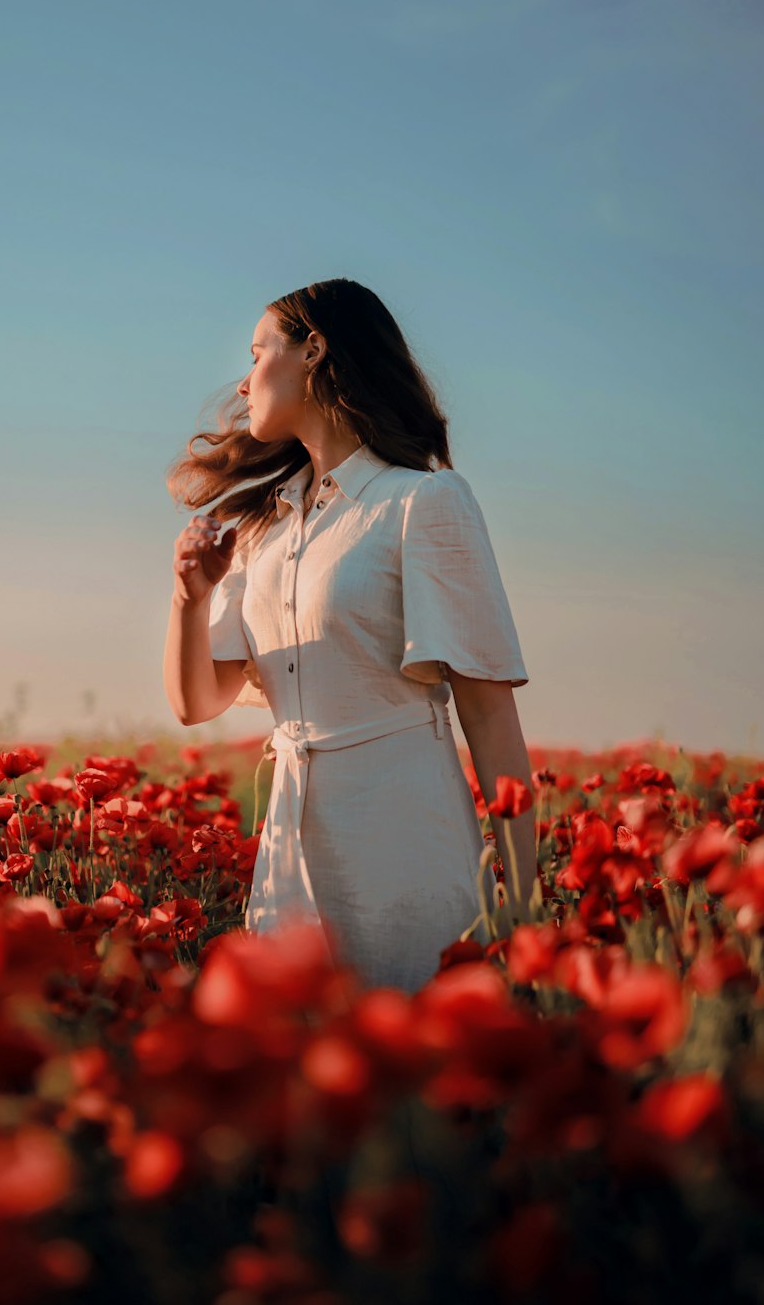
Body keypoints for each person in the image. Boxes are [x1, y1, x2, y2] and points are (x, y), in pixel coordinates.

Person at [163, 278, 537, 994]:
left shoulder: (423, 502)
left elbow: (489, 714)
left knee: (418, 1072)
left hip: (406, 845)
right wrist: (189, 597)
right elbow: (195, 702)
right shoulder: (262, 533)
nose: (243, 384)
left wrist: (521, 899)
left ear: (314, 351)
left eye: (256, 353)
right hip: (286, 860)